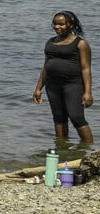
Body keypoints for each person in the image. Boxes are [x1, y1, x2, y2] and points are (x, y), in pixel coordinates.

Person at [32, 11, 93, 145]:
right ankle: (62, 149)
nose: (57, 27)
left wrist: (88, 92)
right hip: (52, 86)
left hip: (73, 85)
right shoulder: (50, 42)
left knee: (77, 118)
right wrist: (38, 88)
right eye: (55, 24)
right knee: (59, 119)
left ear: (70, 25)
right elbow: (46, 66)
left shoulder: (80, 44)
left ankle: (91, 151)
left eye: (61, 24)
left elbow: (86, 68)